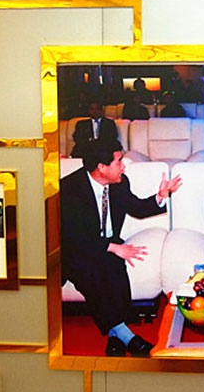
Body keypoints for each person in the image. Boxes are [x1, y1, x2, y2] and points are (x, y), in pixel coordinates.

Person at [60, 139, 182, 357]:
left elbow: (137, 208)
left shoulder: (119, 182)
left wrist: (160, 196)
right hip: (75, 248)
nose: (123, 167)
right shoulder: (69, 190)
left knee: (116, 268)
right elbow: (74, 236)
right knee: (91, 274)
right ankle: (128, 337)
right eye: (118, 162)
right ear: (101, 167)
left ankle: (116, 337)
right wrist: (113, 247)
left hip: (103, 244)